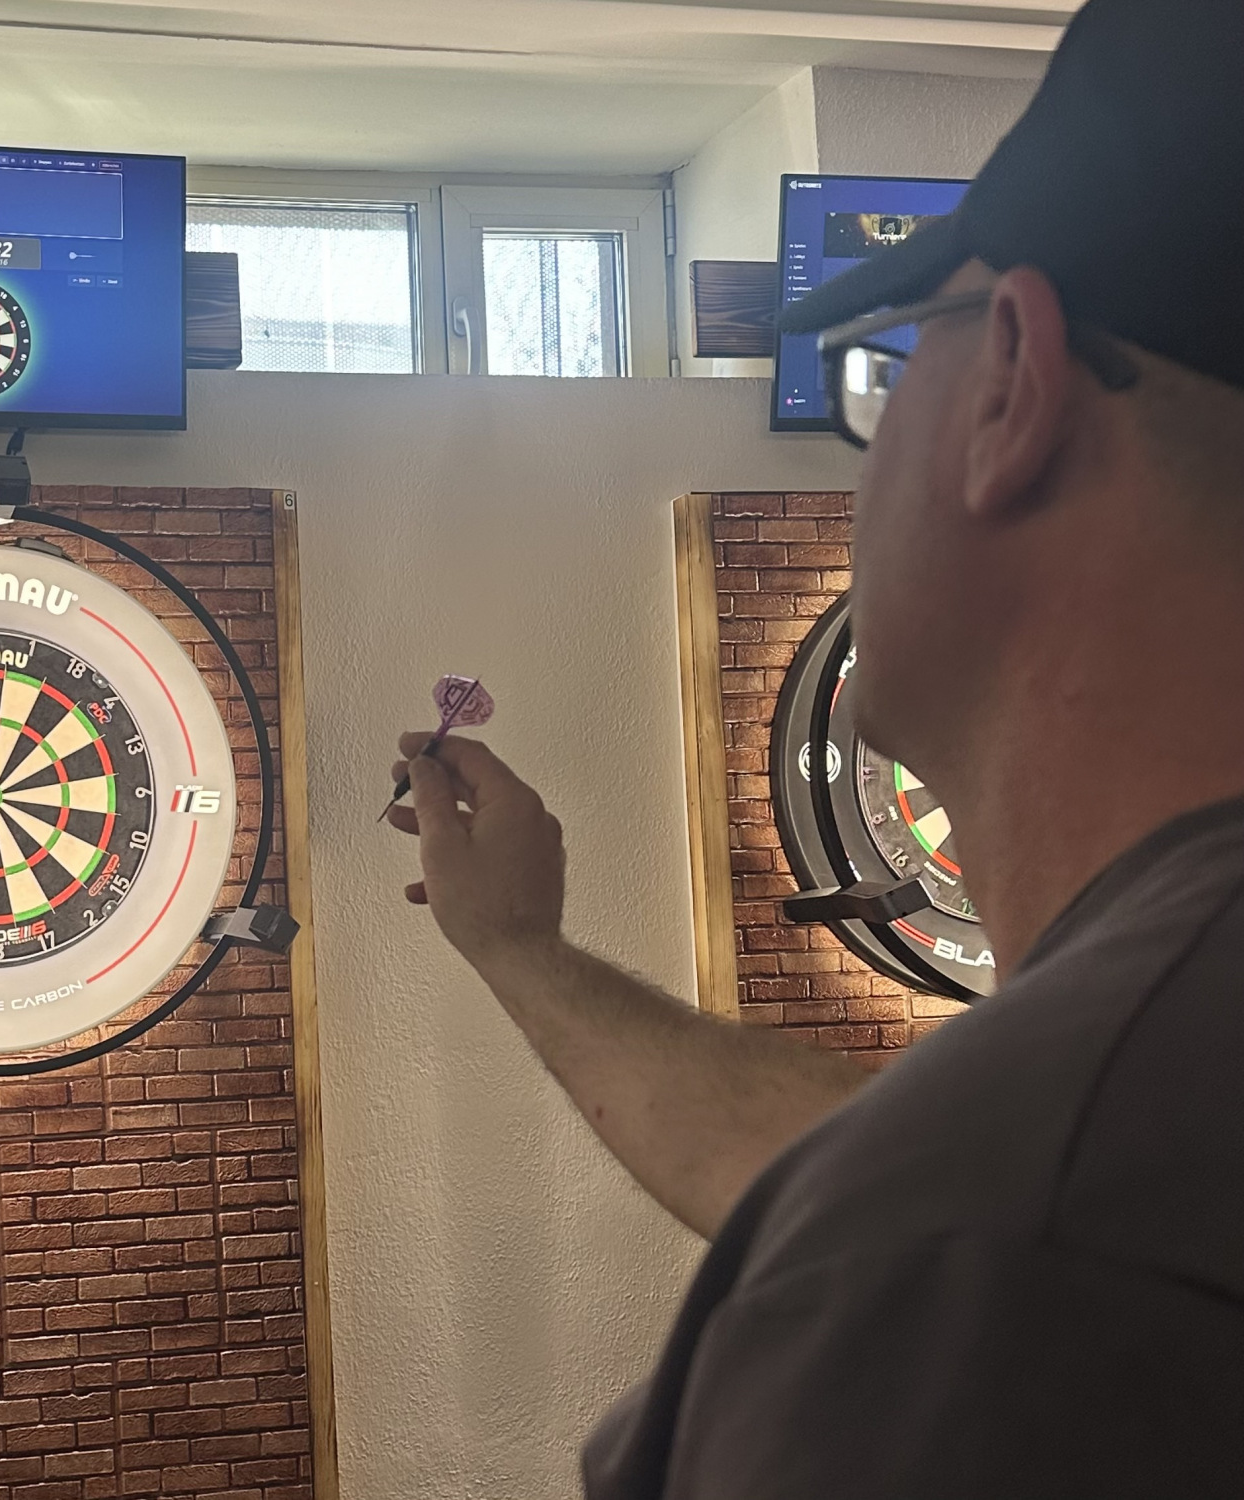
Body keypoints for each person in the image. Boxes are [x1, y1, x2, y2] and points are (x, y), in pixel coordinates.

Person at [388, 1, 1244, 1494]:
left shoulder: (986, 1278)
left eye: (894, 368)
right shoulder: (1099, 1132)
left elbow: (963, 1206)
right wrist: (523, 950)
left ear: (1010, 387)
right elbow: (909, 1158)